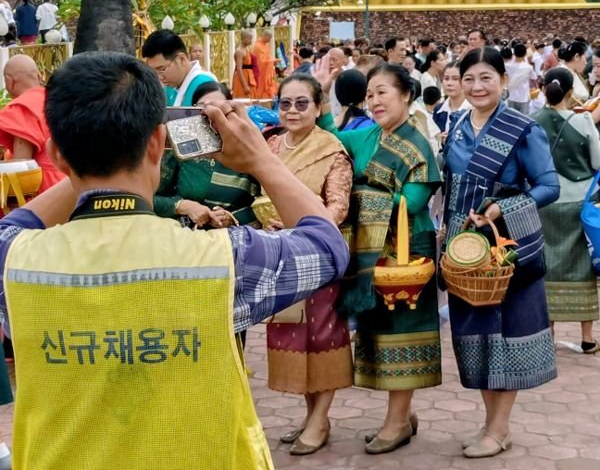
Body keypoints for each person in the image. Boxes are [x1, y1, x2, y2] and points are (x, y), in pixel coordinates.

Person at [0, 52, 349, 470]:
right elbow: (328, 246)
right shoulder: (224, 258)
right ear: (158, 144)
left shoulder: (16, 262)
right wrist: (260, 159)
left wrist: (84, 162)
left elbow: (16, 223)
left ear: (56, 155)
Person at [319, 63, 442, 455]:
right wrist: (324, 93)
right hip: (371, 252)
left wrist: (354, 197)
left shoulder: (418, 145)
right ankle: (402, 415)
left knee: (402, 333)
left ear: (406, 95)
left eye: (382, 92)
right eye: (369, 94)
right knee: (377, 334)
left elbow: (412, 202)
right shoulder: (365, 136)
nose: (374, 101)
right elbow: (327, 139)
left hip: (408, 249)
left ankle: (397, 423)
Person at [442, 47, 559, 459]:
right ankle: (490, 424)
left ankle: (499, 428)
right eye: (469, 78)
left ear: (503, 81)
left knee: (505, 334)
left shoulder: (521, 128)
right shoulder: (456, 125)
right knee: (476, 335)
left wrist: (502, 207)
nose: (477, 86)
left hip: (507, 247)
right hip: (465, 249)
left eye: (486, 78)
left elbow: (548, 185)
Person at [263, 76, 353, 456]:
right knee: (292, 334)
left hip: (318, 252)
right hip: (278, 254)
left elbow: (338, 206)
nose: (293, 111)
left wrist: (299, 223)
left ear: (318, 108)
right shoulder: (270, 145)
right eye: (286, 104)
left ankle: (320, 419)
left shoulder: (331, 150)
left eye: (302, 104)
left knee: (322, 336)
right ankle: (313, 415)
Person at [534, 68, 600, 352]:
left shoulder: (533, 122)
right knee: (581, 265)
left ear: (544, 88)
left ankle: (547, 333)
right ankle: (587, 338)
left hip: (545, 200)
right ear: (571, 91)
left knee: (548, 261)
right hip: (579, 200)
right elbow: (597, 162)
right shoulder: (584, 120)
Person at [154, 81, 259, 228]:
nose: (210, 115)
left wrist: (232, 218)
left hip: (235, 242)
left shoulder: (246, 148)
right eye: (202, 108)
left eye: (219, 109)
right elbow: (149, 199)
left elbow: (264, 204)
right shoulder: (182, 149)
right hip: (185, 240)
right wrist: (183, 205)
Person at [0, 54, 65, 193]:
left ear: (10, 82)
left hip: (43, 188)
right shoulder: (57, 99)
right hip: (69, 182)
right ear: (39, 76)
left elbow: (21, 168)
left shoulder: (23, 107)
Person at [142, 29, 214, 105]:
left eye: (161, 69)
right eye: (154, 71)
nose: (160, 77)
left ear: (181, 59)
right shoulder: (170, 87)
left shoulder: (205, 86)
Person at [432, 60, 471, 134]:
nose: (449, 83)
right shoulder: (439, 110)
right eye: (446, 78)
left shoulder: (472, 110)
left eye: (455, 79)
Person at [506, 42, 537, 114]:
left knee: (511, 118)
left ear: (514, 53)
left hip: (511, 97)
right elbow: (534, 80)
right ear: (525, 54)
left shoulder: (507, 66)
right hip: (523, 98)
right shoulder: (528, 67)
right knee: (523, 120)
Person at [559, 40, 590, 104]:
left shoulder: (574, 73)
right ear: (577, 57)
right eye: (585, 58)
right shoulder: (563, 75)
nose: (586, 63)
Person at [232, 29, 258, 98]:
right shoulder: (239, 51)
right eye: (249, 39)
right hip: (242, 77)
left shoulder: (246, 49)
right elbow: (239, 69)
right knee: (243, 98)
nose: (251, 41)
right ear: (244, 38)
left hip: (249, 76)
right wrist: (245, 86)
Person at [252, 29, 278, 99]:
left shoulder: (267, 45)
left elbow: (267, 57)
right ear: (265, 36)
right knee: (260, 88)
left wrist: (272, 62)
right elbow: (260, 61)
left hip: (267, 70)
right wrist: (272, 61)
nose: (270, 40)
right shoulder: (257, 46)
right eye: (269, 38)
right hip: (260, 72)